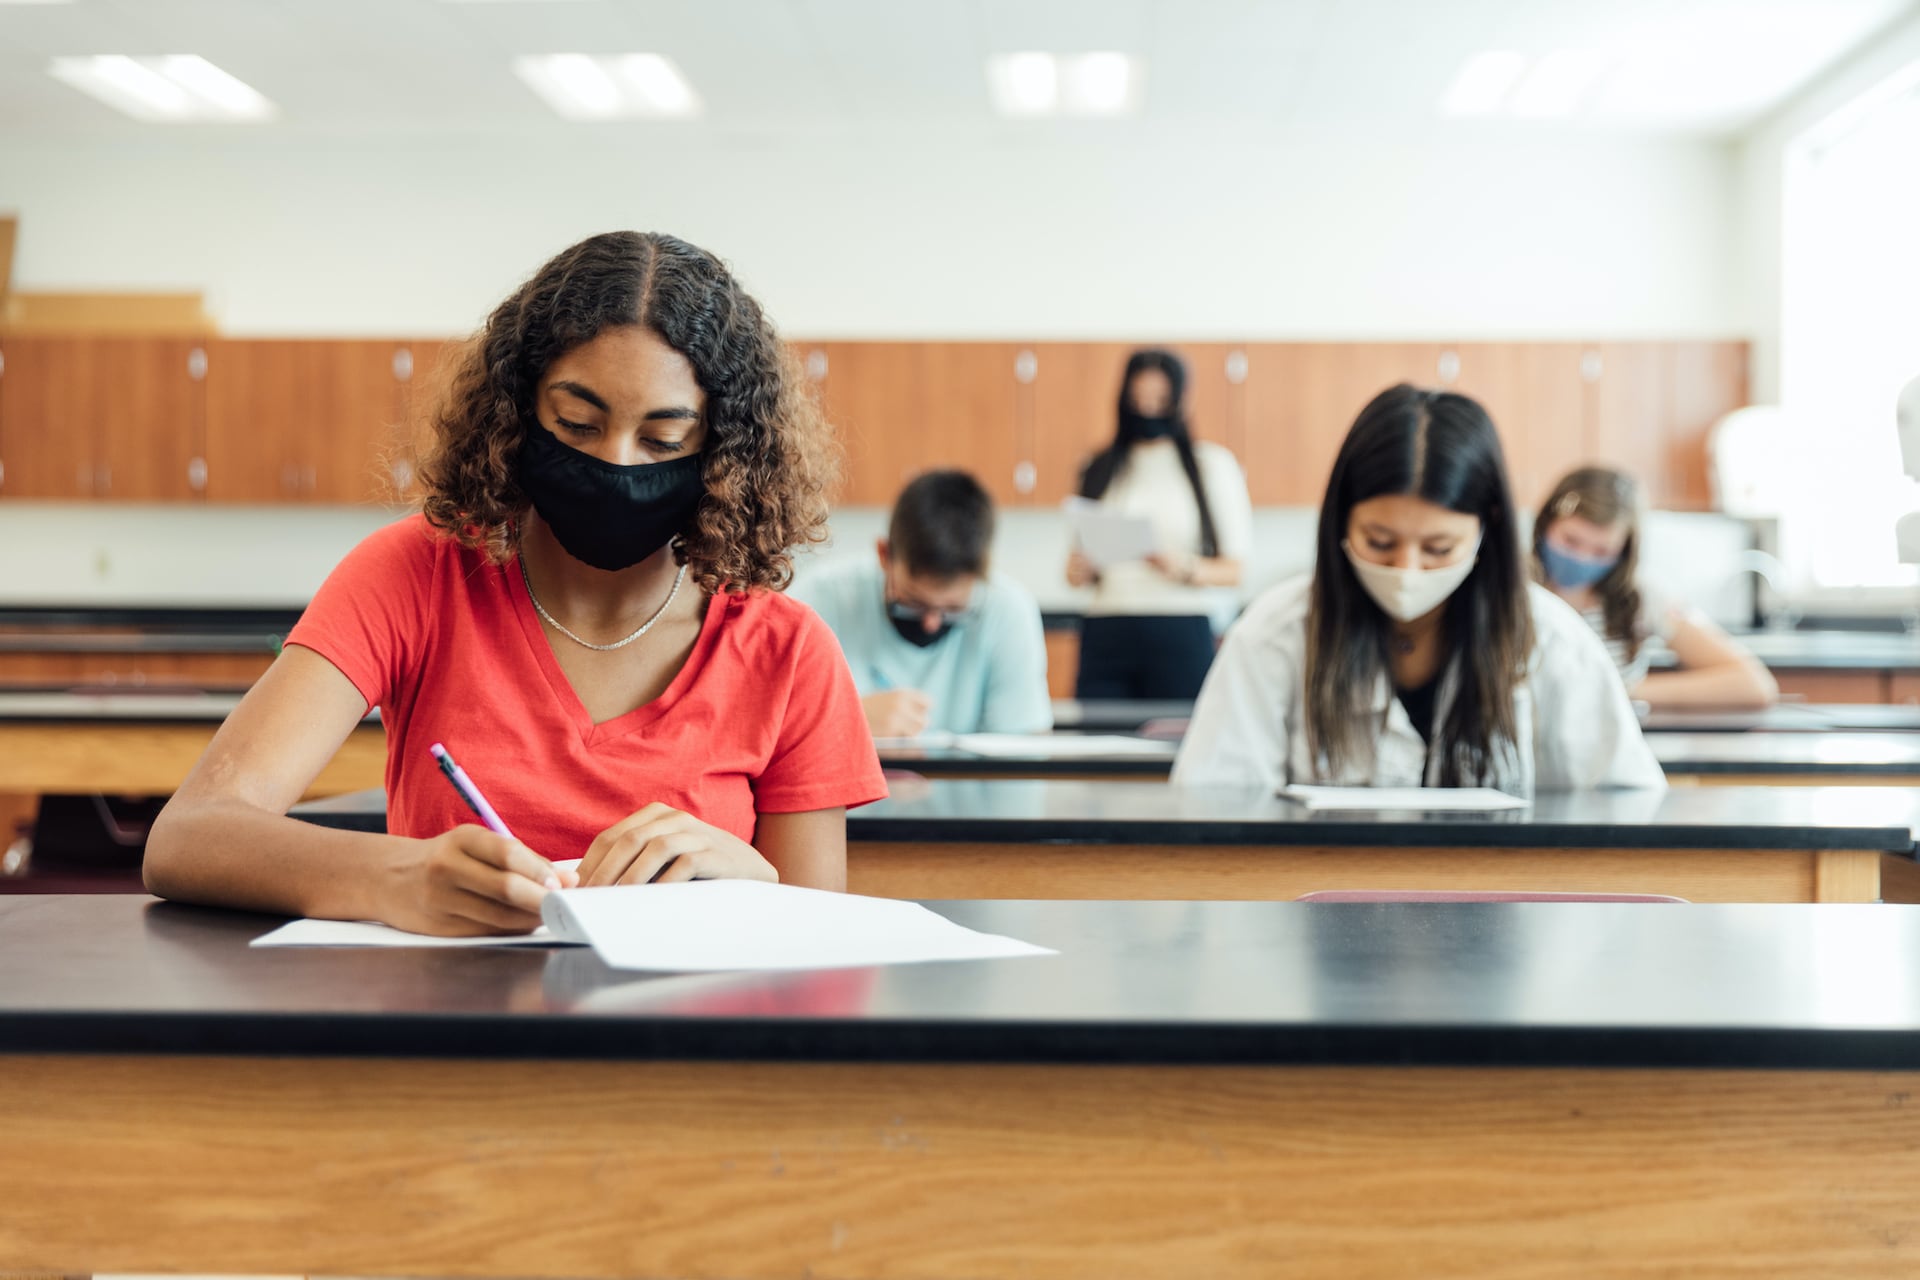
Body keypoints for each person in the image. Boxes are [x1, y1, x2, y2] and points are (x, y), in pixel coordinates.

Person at [145, 231, 886, 935]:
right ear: (518, 410)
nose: (618, 464)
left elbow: (819, 938)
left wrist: (749, 876)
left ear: (723, 452)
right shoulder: (416, 575)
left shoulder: (787, 651)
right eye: (576, 423)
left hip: (685, 1052)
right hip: (457, 1044)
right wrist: (396, 875)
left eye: (662, 440)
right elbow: (189, 836)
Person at [1172, 385, 1664, 794]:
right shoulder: (1274, 633)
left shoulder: (1553, 639)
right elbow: (1214, 809)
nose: (1406, 570)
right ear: (1341, 520)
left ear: (1486, 529)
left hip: (1505, 907)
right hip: (1314, 904)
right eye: (1380, 542)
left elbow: (1625, 806)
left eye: (1438, 547)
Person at [794, 470, 1050, 738]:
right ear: (884, 555)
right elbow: (769, 726)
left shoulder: (1008, 611)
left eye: (953, 610)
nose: (931, 623)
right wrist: (846, 718)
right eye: (913, 603)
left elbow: (1022, 750)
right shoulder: (819, 600)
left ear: (980, 576)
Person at [1065, 348, 1252, 700]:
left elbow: (1235, 570)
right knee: (1098, 742)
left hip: (1180, 631)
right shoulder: (1098, 467)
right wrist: (1083, 569)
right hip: (1107, 630)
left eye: (1160, 399)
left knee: (1179, 741)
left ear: (1180, 401)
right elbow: (1071, 572)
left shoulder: (1211, 465)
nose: (1149, 409)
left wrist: (1180, 566)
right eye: (1139, 399)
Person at [1534, 467, 1778, 711]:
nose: (1582, 558)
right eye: (1570, 541)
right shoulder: (1513, 590)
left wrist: (1620, 691)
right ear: (1546, 525)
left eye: (1602, 552)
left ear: (1624, 552)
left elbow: (1754, 684)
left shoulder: (1641, 600)